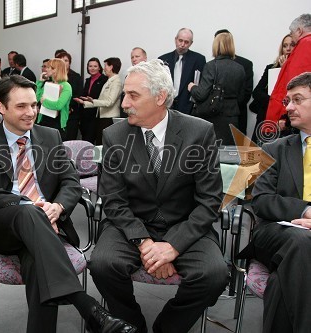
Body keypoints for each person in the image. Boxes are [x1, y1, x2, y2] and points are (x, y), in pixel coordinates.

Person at [0, 74, 136, 333]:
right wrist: (30, 205)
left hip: (47, 224)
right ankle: (87, 306)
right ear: (1, 107)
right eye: (21, 106)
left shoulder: (50, 136)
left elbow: (71, 182)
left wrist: (58, 207)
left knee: (37, 264)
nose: (31, 112)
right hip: (1, 224)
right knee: (29, 214)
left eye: (34, 105)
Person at [89, 59, 228, 333]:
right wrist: (146, 244)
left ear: (160, 97)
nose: (124, 103)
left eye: (133, 95)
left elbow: (209, 200)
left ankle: (169, 327)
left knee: (214, 274)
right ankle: (132, 325)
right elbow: (114, 201)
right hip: (132, 225)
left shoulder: (199, 132)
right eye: (124, 94)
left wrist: (173, 246)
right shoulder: (114, 135)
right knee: (102, 264)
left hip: (186, 224)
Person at [239, 72, 311, 333]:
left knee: (283, 279)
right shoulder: (273, 149)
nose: (288, 107)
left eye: (298, 99)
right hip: (277, 231)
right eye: (288, 100)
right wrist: (305, 210)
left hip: (296, 250)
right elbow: (262, 201)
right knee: (300, 242)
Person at [188, 31, 245, 146]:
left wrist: (192, 87)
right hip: (232, 118)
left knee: (210, 155)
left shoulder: (211, 66)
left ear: (216, 45)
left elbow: (201, 94)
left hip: (213, 117)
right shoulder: (240, 68)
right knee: (227, 157)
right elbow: (241, 97)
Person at [265, 13, 311, 131]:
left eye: (292, 33)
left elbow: (295, 84)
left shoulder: (305, 45)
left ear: (299, 31)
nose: (292, 36)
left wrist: (284, 116)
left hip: (298, 117)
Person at [250, 34, 295, 143]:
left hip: (288, 120)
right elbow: (256, 93)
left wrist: (286, 69)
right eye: (285, 46)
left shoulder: (300, 69)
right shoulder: (271, 67)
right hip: (267, 118)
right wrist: (273, 101)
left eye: (292, 45)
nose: (288, 48)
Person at [214, 29, 254, 135]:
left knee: (237, 147)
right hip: (214, 115)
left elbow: (247, 91)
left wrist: (231, 106)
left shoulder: (245, 64)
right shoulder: (212, 65)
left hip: (237, 114)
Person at [75, 57, 122, 145]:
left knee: (104, 144)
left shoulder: (116, 82)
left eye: (105, 66)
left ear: (111, 67)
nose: (104, 69)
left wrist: (93, 101)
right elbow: (102, 100)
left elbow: (109, 102)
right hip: (102, 117)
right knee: (100, 143)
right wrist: (86, 102)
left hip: (109, 118)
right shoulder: (110, 80)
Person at [159, 28, 206, 114]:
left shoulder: (199, 59)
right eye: (180, 40)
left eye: (186, 42)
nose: (182, 44)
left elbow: (201, 85)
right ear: (175, 39)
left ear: (191, 43)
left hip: (188, 108)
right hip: (166, 106)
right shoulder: (163, 59)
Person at [36, 58, 72, 141]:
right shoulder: (48, 83)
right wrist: (40, 82)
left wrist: (44, 101)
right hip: (43, 121)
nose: (46, 69)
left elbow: (59, 105)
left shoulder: (66, 86)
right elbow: (36, 98)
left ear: (57, 70)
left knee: (55, 152)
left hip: (57, 125)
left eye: (50, 67)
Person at [77, 57, 108, 143]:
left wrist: (90, 100)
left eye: (95, 66)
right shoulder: (87, 80)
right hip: (85, 114)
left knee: (93, 140)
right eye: (90, 66)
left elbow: (103, 97)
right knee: (85, 140)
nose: (92, 68)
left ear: (99, 67)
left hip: (96, 114)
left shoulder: (104, 79)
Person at [56, 51, 83, 140]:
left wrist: (68, 107)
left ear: (70, 63)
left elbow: (78, 95)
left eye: (66, 60)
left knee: (69, 141)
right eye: (61, 60)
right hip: (56, 113)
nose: (63, 63)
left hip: (71, 113)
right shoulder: (53, 77)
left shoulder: (76, 76)